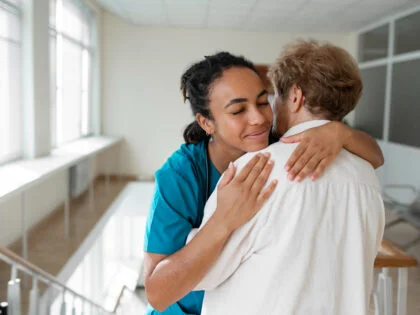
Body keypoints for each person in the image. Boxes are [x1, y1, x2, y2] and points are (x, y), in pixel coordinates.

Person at [144, 51, 384, 315]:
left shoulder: (274, 147)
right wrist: (223, 220)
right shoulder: (181, 174)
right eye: (238, 110)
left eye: (263, 102)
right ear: (206, 122)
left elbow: (376, 156)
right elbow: (157, 292)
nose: (258, 118)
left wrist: (340, 131)